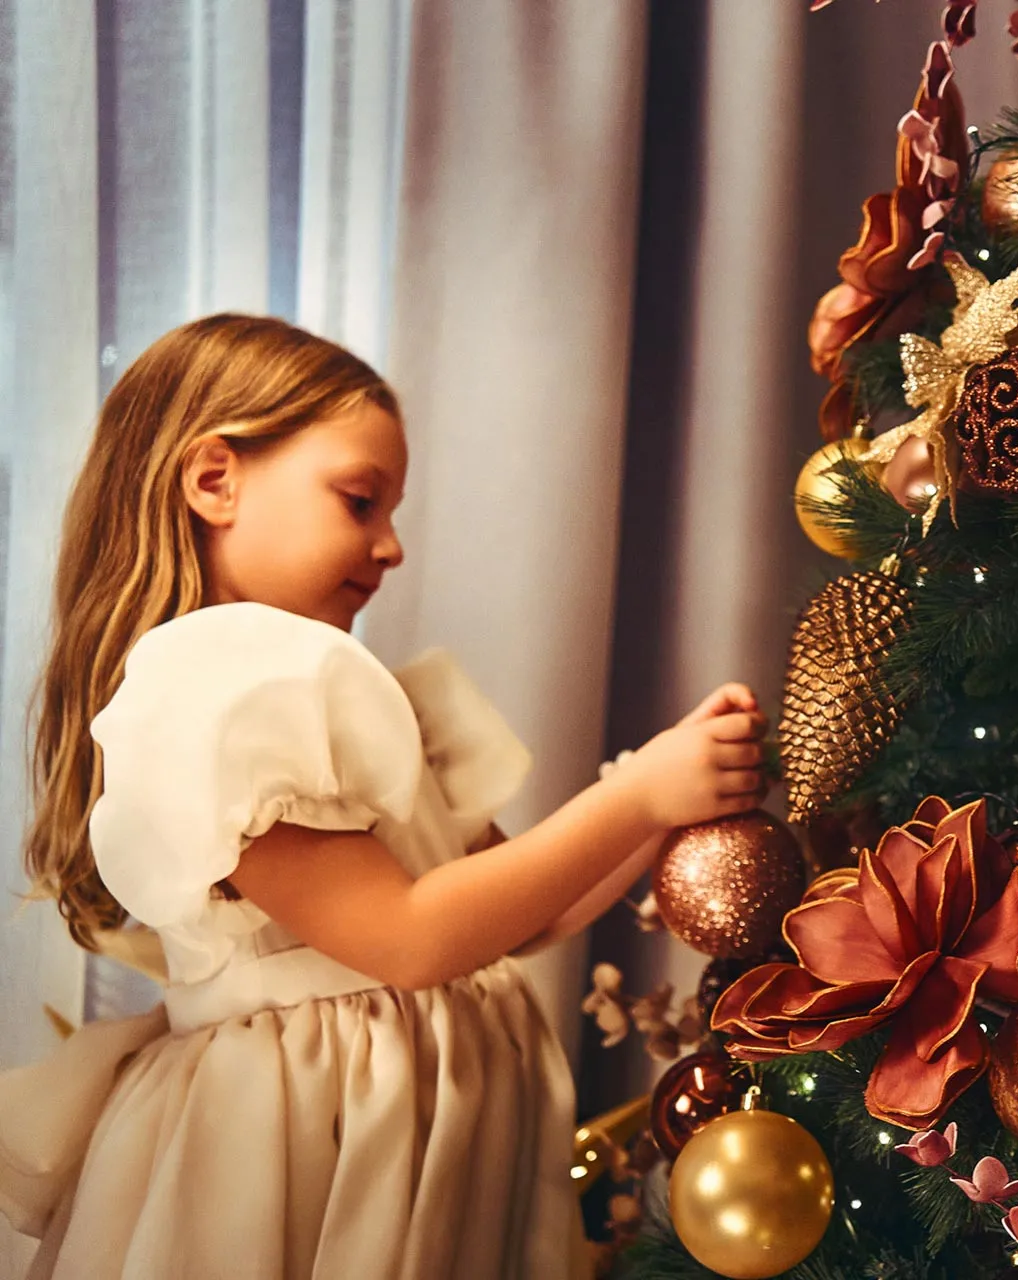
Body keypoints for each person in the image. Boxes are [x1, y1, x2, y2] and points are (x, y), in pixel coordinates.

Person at [0, 314, 769, 1278]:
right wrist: (639, 801)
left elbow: (508, 911)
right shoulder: (223, 690)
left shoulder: (358, 704)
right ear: (213, 481)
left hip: (415, 1136)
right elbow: (408, 938)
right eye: (360, 501)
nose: (392, 546)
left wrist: (660, 800)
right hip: (302, 1141)